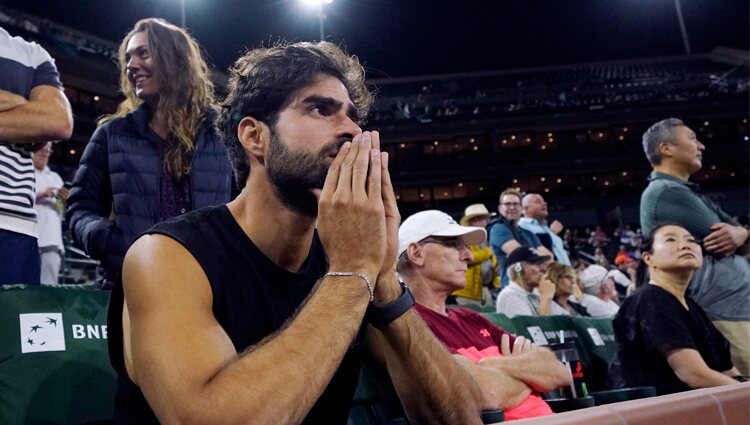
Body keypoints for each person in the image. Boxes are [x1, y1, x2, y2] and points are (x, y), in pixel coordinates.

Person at [107, 41, 483, 424]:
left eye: (354, 117)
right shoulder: (167, 255)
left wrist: (384, 278)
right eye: (321, 109)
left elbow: (459, 418)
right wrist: (352, 273)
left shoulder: (349, 261)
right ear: (255, 137)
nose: (353, 130)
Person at [66, 18, 232, 288]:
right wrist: (110, 242)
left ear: (175, 59)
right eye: (128, 57)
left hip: (210, 286)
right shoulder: (111, 135)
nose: (131, 65)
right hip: (135, 286)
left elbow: (247, 205)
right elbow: (79, 210)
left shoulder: (223, 133)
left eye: (143, 53)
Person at [397, 210, 571, 421]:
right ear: (416, 253)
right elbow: (486, 394)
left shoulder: (472, 318)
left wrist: (492, 366)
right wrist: (529, 377)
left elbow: (558, 372)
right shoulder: (410, 323)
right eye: (454, 244)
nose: (469, 256)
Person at [639, 117, 750, 375]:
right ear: (666, 148)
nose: (701, 145)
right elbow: (726, 238)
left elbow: (739, 237)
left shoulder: (684, 191)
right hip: (723, 314)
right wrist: (740, 234)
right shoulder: (666, 191)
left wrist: (742, 233)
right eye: (692, 138)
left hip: (733, 311)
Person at [610, 223, 745, 395]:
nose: (685, 245)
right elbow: (694, 376)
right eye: (670, 240)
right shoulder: (651, 299)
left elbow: (729, 372)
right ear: (648, 258)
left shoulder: (694, 308)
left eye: (691, 241)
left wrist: (743, 386)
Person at [0, 27, 73, 285]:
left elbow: (58, 121)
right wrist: (26, 108)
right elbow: (44, 116)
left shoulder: (33, 54)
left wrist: (59, 200)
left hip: (16, 227)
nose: (45, 150)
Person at [488, 188, 554, 288]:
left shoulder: (527, 233)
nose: (512, 207)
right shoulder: (498, 229)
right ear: (500, 209)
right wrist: (536, 254)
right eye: (507, 204)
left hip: (533, 287)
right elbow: (521, 254)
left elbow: (549, 256)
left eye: (515, 204)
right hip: (513, 286)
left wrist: (531, 253)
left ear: (522, 209)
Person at [495, 246, 568, 317]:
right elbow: (536, 328)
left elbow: (568, 320)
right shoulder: (509, 296)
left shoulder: (536, 294)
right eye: (536, 263)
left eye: (542, 264)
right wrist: (546, 298)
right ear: (518, 269)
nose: (543, 269)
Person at [32, 142, 67, 285]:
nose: (45, 153)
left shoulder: (55, 178)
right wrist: (42, 194)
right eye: (42, 149)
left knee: (49, 287)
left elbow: (60, 209)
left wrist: (62, 200)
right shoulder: (25, 172)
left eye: (48, 150)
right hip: (29, 238)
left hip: (52, 240)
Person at [453, 203, 499, 307]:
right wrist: (488, 252)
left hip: (485, 289)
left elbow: (491, 259)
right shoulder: (462, 238)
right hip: (468, 292)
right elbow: (467, 258)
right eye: (484, 219)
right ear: (474, 220)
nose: (487, 221)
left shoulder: (483, 238)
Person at [519, 193, 571, 265]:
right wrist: (552, 233)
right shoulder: (521, 226)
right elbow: (533, 249)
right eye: (538, 202)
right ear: (526, 209)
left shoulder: (546, 228)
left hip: (564, 273)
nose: (544, 204)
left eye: (544, 202)